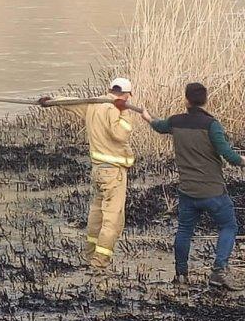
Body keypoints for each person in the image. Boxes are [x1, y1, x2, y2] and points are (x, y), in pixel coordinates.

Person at [141, 82, 242, 290]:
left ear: (186, 100)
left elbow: (159, 126)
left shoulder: (175, 122)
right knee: (229, 226)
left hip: (187, 191)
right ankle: (218, 271)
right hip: (213, 191)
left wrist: (147, 117)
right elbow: (229, 156)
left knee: (185, 230)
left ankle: (181, 275)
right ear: (205, 100)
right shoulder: (212, 125)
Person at [41, 77, 136, 270]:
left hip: (98, 171)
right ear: (125, 95)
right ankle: (99, 263)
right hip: (113, 172)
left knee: (96, 215)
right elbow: (120, 134)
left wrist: (51, 100)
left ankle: (90, 254)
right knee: (112, 219)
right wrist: (124, 111)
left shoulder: (95, 104)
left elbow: (72, 103)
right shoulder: (114, 109)